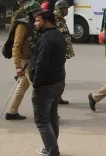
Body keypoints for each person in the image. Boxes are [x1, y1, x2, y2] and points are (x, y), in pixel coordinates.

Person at [31, 10, 66, 156]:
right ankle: (51, 146)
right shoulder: (59, 35)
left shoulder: (46, 38)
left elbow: (41, 64)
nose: (35, 23)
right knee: (52, 117)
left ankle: (52, 151)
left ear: (47, 21)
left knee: (42, 120)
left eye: (38, 20)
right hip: (58, 81)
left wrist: (36, 83)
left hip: (46, 84)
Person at [5, 1, 42, 120]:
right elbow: (16, 46)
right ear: (29, 13)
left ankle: (12, 111)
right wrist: (17, 66)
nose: (37, 14)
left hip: (31, 58)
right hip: (24, 59)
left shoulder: (34, 24)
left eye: (38, 11)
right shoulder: (22, 26)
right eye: (35, 12)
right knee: (38, 87)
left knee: (23, 85)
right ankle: (44, 115)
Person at [54, 0, 74, 105]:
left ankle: (58, 97)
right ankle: (55, 98)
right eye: (65, 9)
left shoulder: (61, 19)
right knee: (58, 77)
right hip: (57, 55)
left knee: (61, 76)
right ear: (60, 9)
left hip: (62, 54)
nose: (67, 11)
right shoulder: (54, 19)